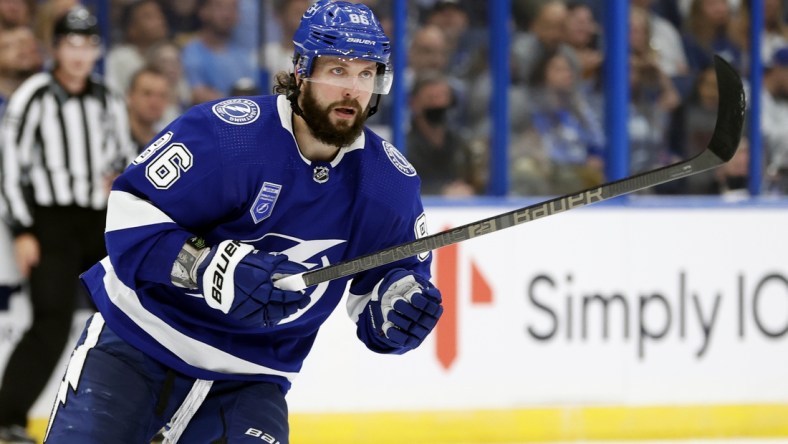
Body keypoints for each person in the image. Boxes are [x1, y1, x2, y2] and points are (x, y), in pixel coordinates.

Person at [44, 1, 444, 443]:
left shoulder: (389, 185)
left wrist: (398, 310)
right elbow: (130, 221)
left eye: (366, 74)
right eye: (337, 71)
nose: (353, 89)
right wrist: (204, 266)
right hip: (136, 345)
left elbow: (384, 293)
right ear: (300, 71)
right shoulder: (227, 134)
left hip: (251, 380)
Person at [0, 7, 133, 443]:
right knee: (52, 319)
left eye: (89, 44)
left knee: (128, 315)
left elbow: (122, 155)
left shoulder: (107, 97)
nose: (80, 54)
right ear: (55, 48)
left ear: (98, 50)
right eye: (71, 44)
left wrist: (118, 178)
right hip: (50, 222)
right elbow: (9, 168)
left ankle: (141, 415)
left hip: (97, 220)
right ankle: (6, 418)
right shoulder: (34, 96)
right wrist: (22, 229)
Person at [126, 65, 171, 151]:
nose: (155, 102)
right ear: (129, 96)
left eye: (162, 96)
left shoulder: (165, 146)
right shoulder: (112, 141)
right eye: (147, 93)